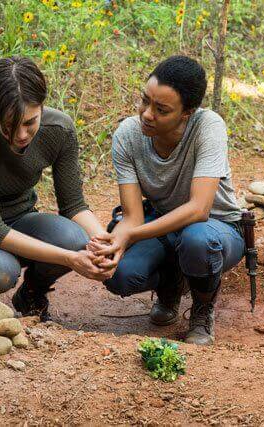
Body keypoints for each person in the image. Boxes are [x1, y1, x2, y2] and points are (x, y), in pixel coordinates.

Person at [0, 56, 111, 321]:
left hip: (18, 219)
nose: (21, 135)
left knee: (77, 240)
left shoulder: (59, 130)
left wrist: (103, 242)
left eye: (30, 122)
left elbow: (74, 205)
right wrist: (70, 259)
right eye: (9, 125)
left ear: (42, 106)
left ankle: (31, 293)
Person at [88, 56, 245, 345]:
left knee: (197, 241)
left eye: (161, 110)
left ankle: (202, 306)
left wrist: (131, 234)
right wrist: (114, 243)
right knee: (118, 273)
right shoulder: (128, 135)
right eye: (144, 101)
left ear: (187, 112)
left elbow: (199, 209)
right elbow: (133, 217)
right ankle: (172, 283)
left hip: (216, 227)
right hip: (162, 224)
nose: (147, 114)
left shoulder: (208, 127)